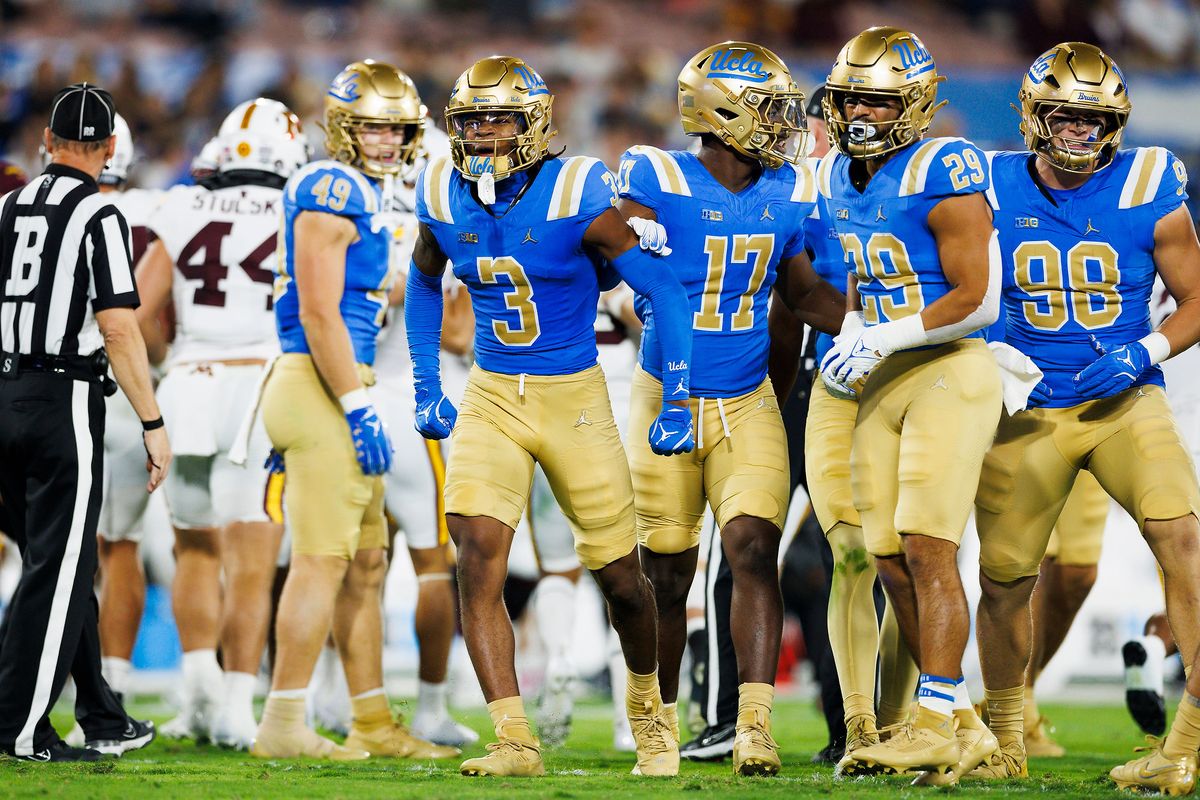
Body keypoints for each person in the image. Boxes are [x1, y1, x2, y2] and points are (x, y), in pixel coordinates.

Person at [406, 55, 694, 778]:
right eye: (470, 121)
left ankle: (650, 715)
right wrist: (425, 380)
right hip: (492, 391)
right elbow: (423, 277)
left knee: (621, 578)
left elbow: (663, 289)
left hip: (573, 395)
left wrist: (678, 396)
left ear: (532, 124)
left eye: (497, 120)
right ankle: (514, 740)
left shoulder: (576, 188)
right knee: (476, 553)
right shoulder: (439, 187)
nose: (481, 135)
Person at [972, 43, 1200, 794]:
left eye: (1092, 119)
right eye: (1064, 116)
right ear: (1034, 116)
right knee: (1005, 580)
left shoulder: (1147, 182)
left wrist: (1146, 350)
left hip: (1123, 401)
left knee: (1183, 539)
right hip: (1028, 408)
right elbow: (957, 277)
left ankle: (1184, 746)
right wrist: (990, 349)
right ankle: (1007, 735)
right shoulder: (990, 182)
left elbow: (1197, 296)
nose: (1078, 131)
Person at [616, 42, 845, 776]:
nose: (784, 123)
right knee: (666, 573)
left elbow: (802, 294)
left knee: (752, 548)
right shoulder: (656, 176)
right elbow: (608, 256)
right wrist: (628, 240)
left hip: (747, 398)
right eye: (769, 108)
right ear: (722, 111)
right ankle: (657, 720)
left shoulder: (788, 188)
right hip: (667, 394)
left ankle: (754, 725)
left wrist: (888, 323)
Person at [251, 60, 457, 762]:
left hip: (342, 380)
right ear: (344, 128)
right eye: (373, 127)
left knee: (368, 561)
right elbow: (318, 312)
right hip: (323, 382)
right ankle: (283, 721)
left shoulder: (368, 191)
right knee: (320, 560)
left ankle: (370, 720)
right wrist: (356, 404)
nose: (388, 140)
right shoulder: (329, 186)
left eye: (397, 129)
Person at [818, 27, 1004, 782]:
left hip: (948, 370)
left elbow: (980, 298)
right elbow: (865, 267)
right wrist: (855, 325)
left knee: (929, 547)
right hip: (887, 375)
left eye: (878, 100)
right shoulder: (836, 172)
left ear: (916, 104)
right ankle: (961, 724)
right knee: (887, 555)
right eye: (851, 98)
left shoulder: (944, 165)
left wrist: (882, 336)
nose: (860, 112)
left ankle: (929, 722)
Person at [0, 83, 169, 761]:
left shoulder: (8, 205)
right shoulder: (100, 213)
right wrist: (152, 420)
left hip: (3, 388)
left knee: (56, 561)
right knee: (60, 567)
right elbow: (119, 328)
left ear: (47, 141)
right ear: (108, 148)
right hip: (60, 397)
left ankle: (99, 712)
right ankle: (20, 729)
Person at [133, 98, 304, 749]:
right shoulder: (301, 207)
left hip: (189, 383)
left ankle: (199, 688)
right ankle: (235, 703)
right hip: (262, 383)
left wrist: (162, 364)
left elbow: (139, 312)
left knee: (195, 547)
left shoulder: (182, 205)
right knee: (254, 558)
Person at [766, 85, 920, 769]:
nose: (844, 128)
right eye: (833, 117)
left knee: (909, 557)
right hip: (826, 378)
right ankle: (851, 724)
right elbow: (791, 296)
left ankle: (918, 715)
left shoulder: (928, 179)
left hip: (914, 379)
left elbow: (969, 286)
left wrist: (883, 335)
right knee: (845, 556)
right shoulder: (799, 189)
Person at [370, 118, 479, 747]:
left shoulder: (354, 217)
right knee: (435, 564)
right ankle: (431, 706)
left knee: (360, 562)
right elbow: (459, 335)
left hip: (358, 396)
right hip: (422, 405)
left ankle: (340, 696)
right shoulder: (448, 225)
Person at [93, 112, 165, 705]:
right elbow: (154, 332)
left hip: (42, 388)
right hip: (126, 390)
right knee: (121, 545)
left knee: (53, 547)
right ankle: (111, 684)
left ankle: (53, 682)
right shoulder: (155, 214)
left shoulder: (26, 208)